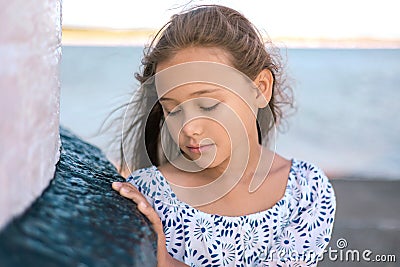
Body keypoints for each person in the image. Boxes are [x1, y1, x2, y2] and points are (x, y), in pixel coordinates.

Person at [112, 4, 336, 266]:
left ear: (260, 89)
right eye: (172, 110)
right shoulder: (148, 195)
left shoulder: (305, 191)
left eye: (208, 105)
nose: (189, 128)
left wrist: (166, 261)